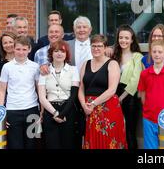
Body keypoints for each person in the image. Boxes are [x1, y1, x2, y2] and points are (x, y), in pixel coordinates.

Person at [78, 34, 127, 149]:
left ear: (105, 48)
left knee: (109, 141)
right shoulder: (86, 64)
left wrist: (93, 104)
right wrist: (84, 105)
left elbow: (112, 90)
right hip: (89, 110)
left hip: (108, 108)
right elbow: (81, 87)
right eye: (93, 46)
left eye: (99, 46)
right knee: (93, 141)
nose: (96, 49)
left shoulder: (112, 64)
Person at [0, 35, 40, 149]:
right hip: (12, 111)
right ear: (14, 49)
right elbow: (2, 91)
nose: (21, 52)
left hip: (32, 110)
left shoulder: (35, 67)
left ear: (29, 49)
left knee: (32, 144)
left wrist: (42, 112)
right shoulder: (7, 67)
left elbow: (39, 90)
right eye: (18, 49)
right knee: (15, 145)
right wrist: (1, 114)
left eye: (24, 49)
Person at [138, 40, 164, 149]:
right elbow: (143, 95)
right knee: (150, 147)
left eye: (160, 52)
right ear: (150, 53)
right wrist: (149, 109)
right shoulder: (144, 74)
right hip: (149, 118)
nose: (157, 54)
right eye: (154, 52)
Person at [38, 40, 79, 149]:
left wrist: (62, 114)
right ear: (51, 53)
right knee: (52, 144)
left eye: (62, 51)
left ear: (67, 54)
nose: (59, 53)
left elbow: (74, 95)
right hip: (50, 110)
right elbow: (42, 97)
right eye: (56, 51)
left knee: (68, 143)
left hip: (68, 110)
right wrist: (55, 113)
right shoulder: (44, 71)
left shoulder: (73, 70)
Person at [113, 24, 143, 150]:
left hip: (130, 98)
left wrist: (121, 98)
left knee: (129, 133)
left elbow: (135, 81)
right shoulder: (114, 56)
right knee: (116, 132)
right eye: (121, 38)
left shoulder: (137, 57)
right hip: (113, 96)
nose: (123, 40)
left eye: (126, 38)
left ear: (131, 40)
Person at [66, 16, 93, 148]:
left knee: (91, 125)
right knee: (73, 126)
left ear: (90, 29)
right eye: (78, 27)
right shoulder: (67, 45)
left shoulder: (98, 45)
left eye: (84, 27)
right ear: (74, 29)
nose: (81, 30)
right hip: (71, 89)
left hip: (92, 90)